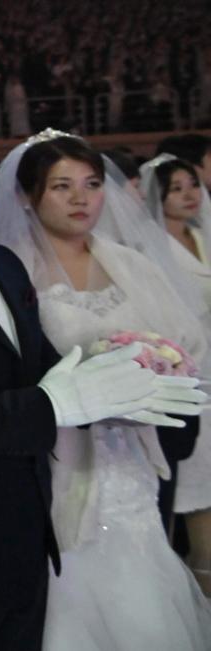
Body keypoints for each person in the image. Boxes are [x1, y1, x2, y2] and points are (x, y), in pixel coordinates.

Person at [0, 101, 201, 651]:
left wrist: (126, 379)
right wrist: (52, 407)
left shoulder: (1, 261)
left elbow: (43, 368)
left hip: (32, 523)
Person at [0, 132, 211, 651]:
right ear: (27, 195)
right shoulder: (8, 270)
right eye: (61, 186)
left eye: (92, 184)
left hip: (132, 459)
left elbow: (186, 344)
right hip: (56, 455)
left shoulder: (133, 265)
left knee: (141, 582)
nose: (81, 199)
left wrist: (160, 374)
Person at [139, 153, 211, 595]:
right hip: (191, 365)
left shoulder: (205, 236)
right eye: (176, 188)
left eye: (192, 185)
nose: (188, 194)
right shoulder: (150, 249)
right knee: (191, 484)